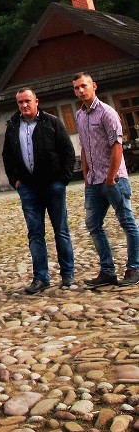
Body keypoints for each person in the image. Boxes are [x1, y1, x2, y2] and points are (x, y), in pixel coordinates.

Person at [0, 88, 77, 293]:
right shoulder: (13, 126)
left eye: (27, 101)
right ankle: (41, 277)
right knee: (35, 233)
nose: (24, 105)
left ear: (36, 101)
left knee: (61, 230)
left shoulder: (51, 122)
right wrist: (15, 181)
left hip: (53, 185)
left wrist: (63, 180)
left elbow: (68, 152)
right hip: (28, 188)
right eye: (20, 103)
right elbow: (7, 156)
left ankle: (67, 274)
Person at [73, 71, 139, 288]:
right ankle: (107, 271)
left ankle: (134, 268)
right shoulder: (80, 115)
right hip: (93, 181)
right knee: (93, 224)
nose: (81, 91)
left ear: (94, 86)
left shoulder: (107, 113)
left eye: (84, 86)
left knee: (127, 223)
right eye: (77, 88)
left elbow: (117, 146)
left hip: (114, 180)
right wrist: (86, 175)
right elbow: (84, 146)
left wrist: (111, 178)